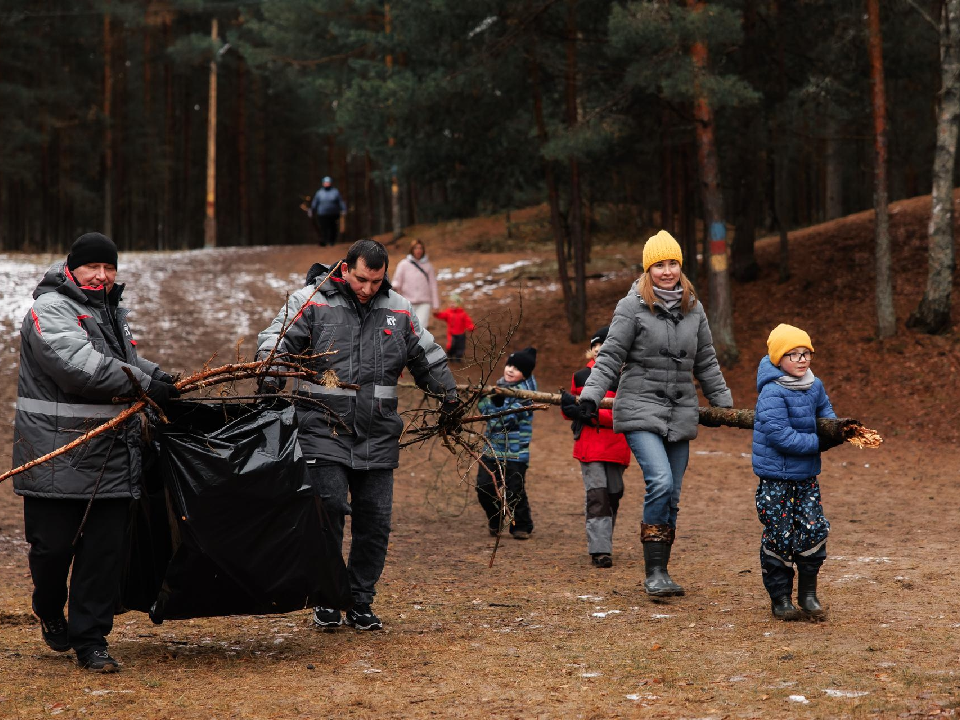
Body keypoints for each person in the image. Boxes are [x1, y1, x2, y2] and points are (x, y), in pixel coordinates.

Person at [257, 239, 460, 631]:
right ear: (345, 268)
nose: (368, 288)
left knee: (376, 523)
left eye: (376, 281)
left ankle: (360, 599)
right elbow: (276, 340)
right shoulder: (312, 299)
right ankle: (327, 596)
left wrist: (448, 395)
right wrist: (269, 374)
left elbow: (428, 355)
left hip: (378, 433)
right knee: (329, 511)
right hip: (321, 427)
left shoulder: (399, 309)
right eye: (361, 279)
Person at [12, 232, 180, 672]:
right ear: (73, 268)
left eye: (109, 269)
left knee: (102, 555)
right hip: (57, 453)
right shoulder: (49, 310)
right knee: (50, 552)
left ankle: (91, 641)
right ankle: (49, 608)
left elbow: (124, 359)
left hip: (111, 451)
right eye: (93, 268)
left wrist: (165, 378)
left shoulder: (111, 311)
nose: (102, 276)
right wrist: (145, 385)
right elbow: (79, 368)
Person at [573, 230, 732, 597]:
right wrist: (591, 396)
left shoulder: (695, 307)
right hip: (640, 407)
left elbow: (706, 359)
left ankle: (661, 569)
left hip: (680, 412)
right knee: (659, 481)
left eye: (672, 263)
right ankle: (653, 574)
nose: (667, 271)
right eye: (659, 264)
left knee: (673, 494)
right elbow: (611, 355)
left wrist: (723, 404)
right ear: (648, 268)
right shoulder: (631, 307)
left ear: (681, 265)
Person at [753, 324, 839, 621]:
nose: (802, 360)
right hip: (776, 477)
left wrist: (835, 429)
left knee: (813, 530)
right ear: (778, 359)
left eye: (806, 354)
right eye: (794, 354)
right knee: (780, 534)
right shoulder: (772, 391)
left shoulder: (814, 385)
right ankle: (780, 598)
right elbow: (780, 435)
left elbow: (825, 413)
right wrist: (819, 443)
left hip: (806, 477)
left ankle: (808, 594)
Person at [560, 326, 631, 568]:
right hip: (590, 446)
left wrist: (591, 415)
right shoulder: (580, 376)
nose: (601, 354)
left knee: (614, 494)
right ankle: (600, 550)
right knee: (598, 496)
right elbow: (572, 410)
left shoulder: (626, 377)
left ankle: (604, 542)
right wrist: (570, 409)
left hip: (617, 446)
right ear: (591, 351)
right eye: (597, 350)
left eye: (606, 350)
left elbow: (625, 414)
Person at [475, 347, 537, 540]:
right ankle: (496, 519)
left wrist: (498, 403)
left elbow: (505, 420)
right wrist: (484, 398)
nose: (510, 370)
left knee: (514, 491)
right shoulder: (499, 387)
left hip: (516, 452)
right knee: (483, 487)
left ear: (525, 374)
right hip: (492, 448)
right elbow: (485, 412)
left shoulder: (529, 396)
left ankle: (522, 525)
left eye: (517, 368)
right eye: (509, 365)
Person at [391, 239, 440, 330]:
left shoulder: (428, 266)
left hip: (424, 303)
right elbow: (397, 282)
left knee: (420, 329)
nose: (418, 250)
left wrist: (435, 305)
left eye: (420, 248)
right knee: (408, 329)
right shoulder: (403, 264)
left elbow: (433, 286)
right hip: (407, 303)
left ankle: (418, 344)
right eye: (416, 248)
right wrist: (394, 288)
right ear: (412, 250)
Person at [433, 293, 476, 363]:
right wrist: (436, 314)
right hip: (451, 334)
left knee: (460, 347)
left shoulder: (462, 313)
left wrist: (470, 327)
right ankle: (449, 356)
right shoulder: (448, 312)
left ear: (458, 304)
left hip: (461, 334)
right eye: (450, 303)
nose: (452, 304)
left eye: (454, 303)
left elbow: (467, 321)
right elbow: (442, 315)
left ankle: (458, 358)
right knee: (451, 346)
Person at [309, 176, 347, 247]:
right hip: (322, 214)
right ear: (323, 183)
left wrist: (343, 209)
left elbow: (340, 202)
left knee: (333, 227)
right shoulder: (319, 193)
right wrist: (312, 210)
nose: (327, 184)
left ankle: (332, 241)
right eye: (325, 182)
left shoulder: (335, 192)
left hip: (334, 214)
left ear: (331, 183)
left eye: (328, 182)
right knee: (323, 227)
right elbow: (315, 202)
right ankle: (324, 240)